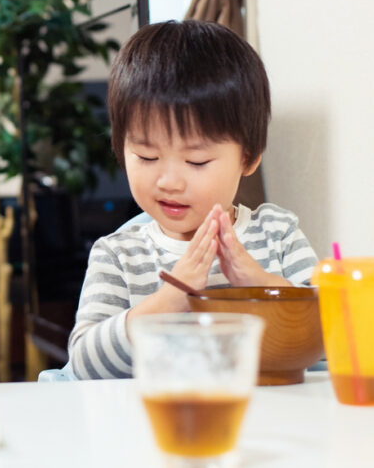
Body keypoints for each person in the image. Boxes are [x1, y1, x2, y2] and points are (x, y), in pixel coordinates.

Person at [67, 20, 318, 380]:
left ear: (248, 157)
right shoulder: (119, 255)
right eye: (147, 157)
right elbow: (83, 366)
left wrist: (258, 284)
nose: (169, 181)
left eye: (197, 161)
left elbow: (331, 337)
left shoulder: (277, 235)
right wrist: (169, 301)